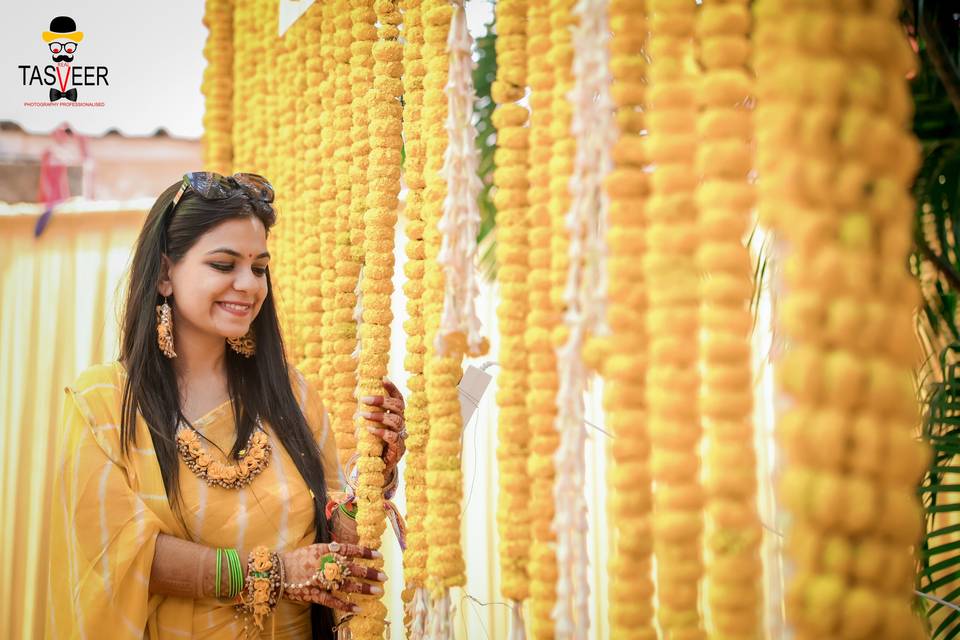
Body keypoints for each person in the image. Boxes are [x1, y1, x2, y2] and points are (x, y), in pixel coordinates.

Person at [46, 172, 407, 639]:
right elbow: (121, 553)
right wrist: (274, 573)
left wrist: (374, 475)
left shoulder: (291, 396)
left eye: (259, 268)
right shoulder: (103, 404)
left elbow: (337, 547)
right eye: (223, 264)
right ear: (163, 275)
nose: (249, 285)